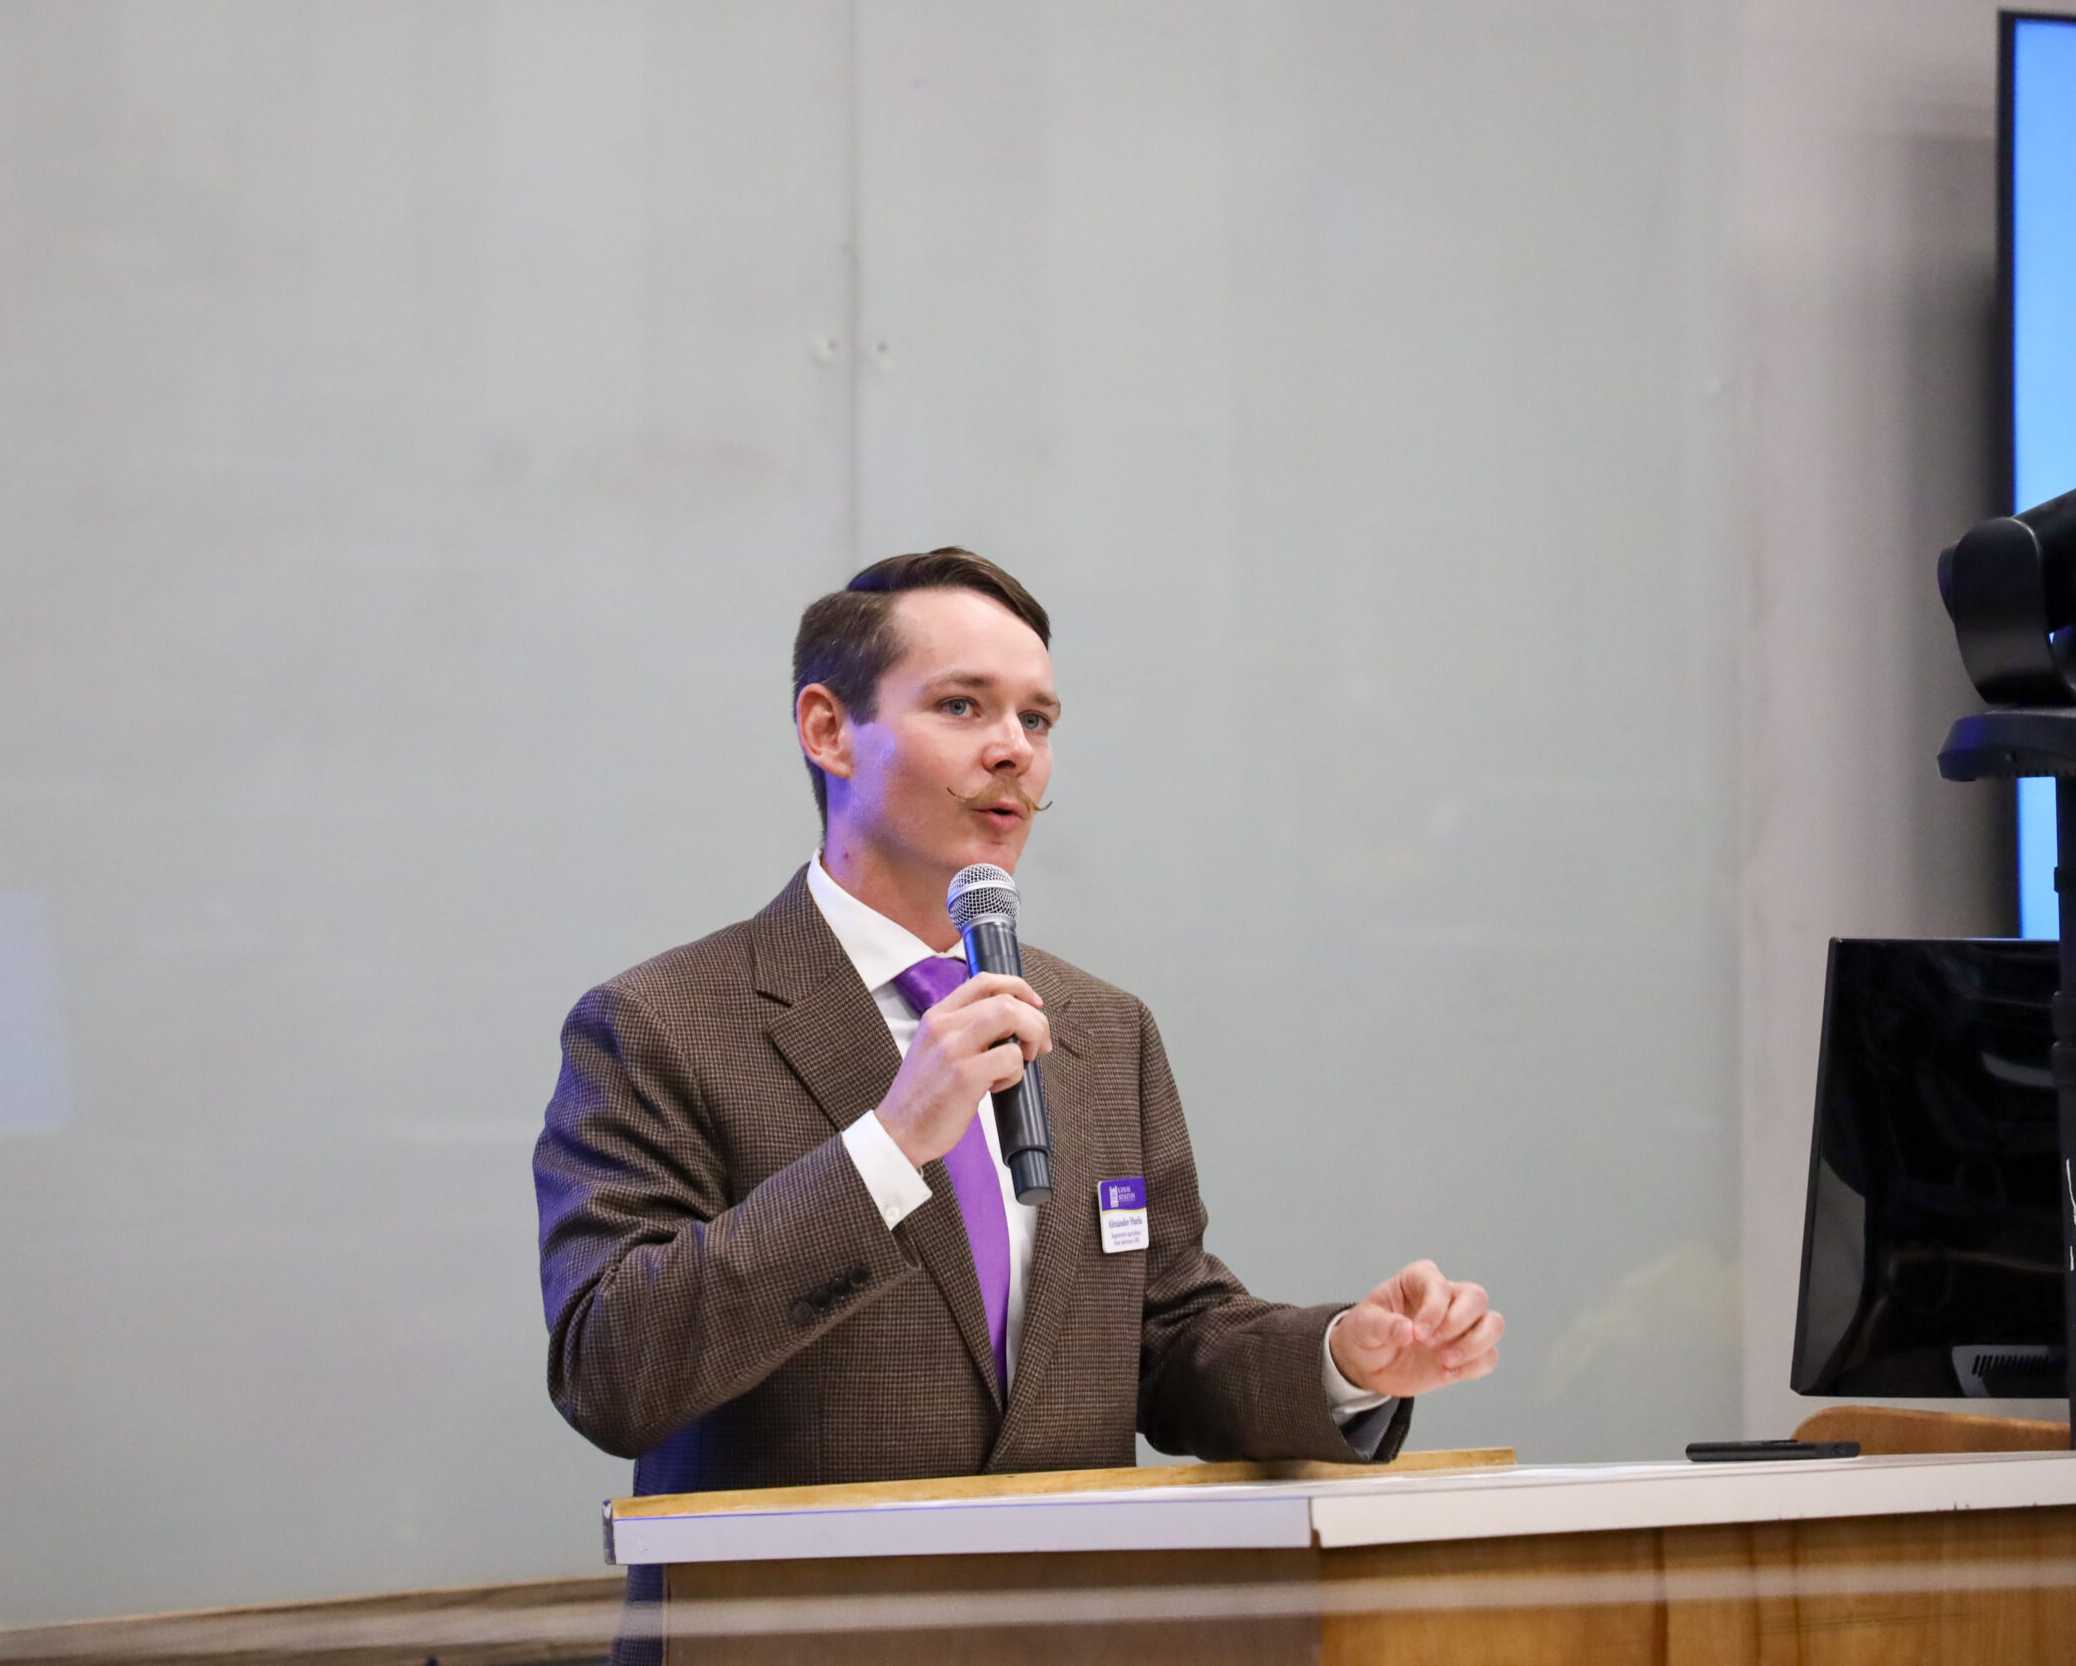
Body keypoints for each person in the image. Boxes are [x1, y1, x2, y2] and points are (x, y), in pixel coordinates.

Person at [534, 547, 1503, 1515]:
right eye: (962, 707)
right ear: (829, 730)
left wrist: (1341, 1360)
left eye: (1035, 718)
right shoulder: (661, 1025)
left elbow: (1166, 1342)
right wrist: (888, 1146)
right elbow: (613, 1377)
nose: (1014, 750)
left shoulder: (1098, 1032)